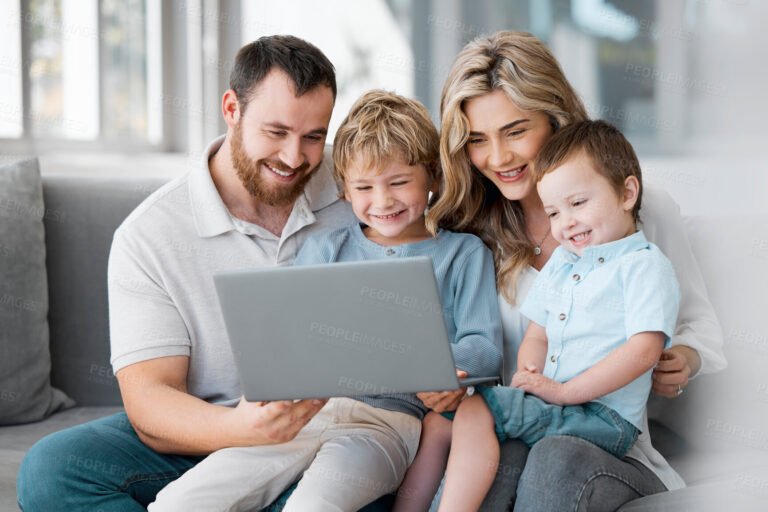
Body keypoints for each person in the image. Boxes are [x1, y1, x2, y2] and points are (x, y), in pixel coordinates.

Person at [17, 35, 358, 511]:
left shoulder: (361, 193)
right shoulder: (150, 234)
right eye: (275, 132)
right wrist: (242, 430)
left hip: (336, 435)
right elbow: (151, 402)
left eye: (313, 137)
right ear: (232, 109)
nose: (294, 157)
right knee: (54, 470)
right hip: (209, 430)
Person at [147, 89, 502, 511]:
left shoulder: (463, 254)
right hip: (304, 413)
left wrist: (448, 373)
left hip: (386, 424)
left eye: (400, 182)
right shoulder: (325, 247)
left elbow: (485, 347)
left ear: (433, 178)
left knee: (314, 505)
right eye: (365, 187)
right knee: (180, 502)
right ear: (345, 191)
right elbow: (288, 336)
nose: (383, 201)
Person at [426, 31, 727, 510]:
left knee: (555, 458)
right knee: (498, 465)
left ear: (555, 117)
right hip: (513, 434)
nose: (498, 158)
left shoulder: (641, 214)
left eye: (515, 131)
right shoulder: (467, 236)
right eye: (478, 140)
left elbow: (698, 325)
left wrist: (684, 357)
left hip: (605, 445)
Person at [437, 119, 680, 510]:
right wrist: (531, 374)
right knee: (503, 451)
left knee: (477, 406)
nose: (565, 223)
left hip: (606, 418)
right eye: (553, 212)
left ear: (627, 193)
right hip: (562, 406)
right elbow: (538, 332)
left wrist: (563, 392)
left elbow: (643, 352)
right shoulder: (564, 263)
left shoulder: (643, 266)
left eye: (578, 203)